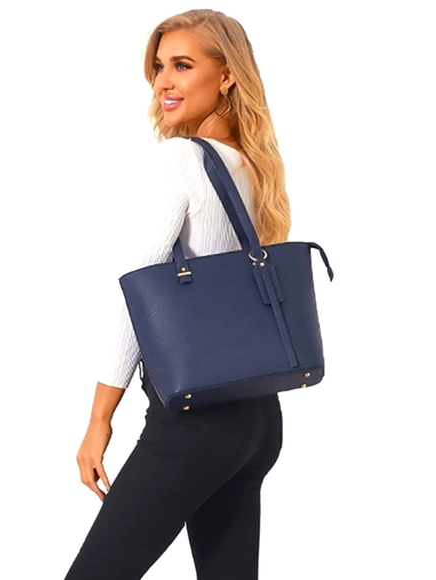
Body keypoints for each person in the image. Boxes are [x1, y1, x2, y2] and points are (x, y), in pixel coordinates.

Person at [63, 9, 291, 580]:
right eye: (160, 66)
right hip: (258, 417)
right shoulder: (255, 166)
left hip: (195, 422)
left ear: (227, 75)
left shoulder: (181, 159)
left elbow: (137, 297)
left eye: (183, 65)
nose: (164, 81)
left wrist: (99, 419)